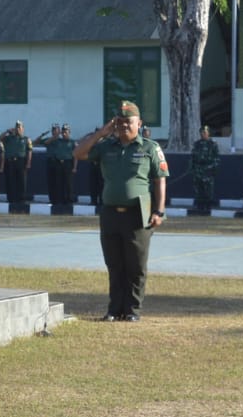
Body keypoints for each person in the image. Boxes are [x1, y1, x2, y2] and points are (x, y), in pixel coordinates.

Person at [75, 101, 168, 322]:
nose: (124, 126)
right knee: (114, 263)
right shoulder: (106, 146)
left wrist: (159, 211)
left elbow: (160, 181)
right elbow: (78, 153)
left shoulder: (149, 147)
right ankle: (114, 310)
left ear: (139, 123)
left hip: (139, 213)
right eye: (120, 122)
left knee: (136, 265)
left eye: (129, 122)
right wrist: (102, 133)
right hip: (110, 213)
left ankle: (133, 310)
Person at [191, 125, 220, 212]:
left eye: (205, 132)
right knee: (198, 188)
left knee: (208, 189)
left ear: (208, 133)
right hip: (198, 169)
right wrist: (193, 168)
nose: (203, 134)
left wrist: (212, 168)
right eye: (202, 133)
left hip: (208, 170)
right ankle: (200, 205)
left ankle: (208, 206)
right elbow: (192, 157)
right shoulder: (197, 144)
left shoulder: (213, 144)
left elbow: (217, 158)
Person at [2, 121, 32, 202]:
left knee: (21, 181)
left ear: (23, 129)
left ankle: (21, 198)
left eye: (19, 127)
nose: (18, 129)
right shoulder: (9, 138)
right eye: (16, 127)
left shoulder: (26, 139)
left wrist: (28, 163)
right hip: (10, 161)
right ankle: (11, 198)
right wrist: (7, 131)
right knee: (10, 180)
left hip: (21, 161)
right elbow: (0, 139)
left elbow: (29, 151)